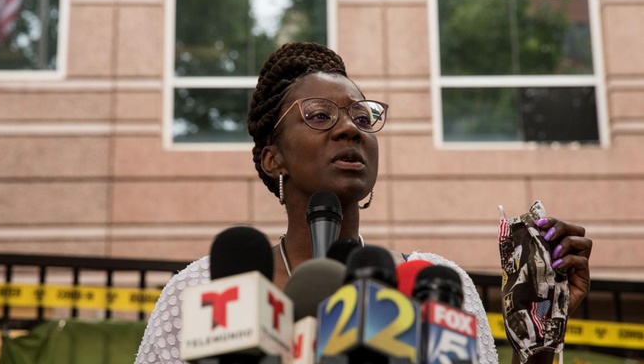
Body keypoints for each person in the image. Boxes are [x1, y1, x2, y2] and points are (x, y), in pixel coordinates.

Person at [134, 42, 592, 364]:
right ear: (274, 158)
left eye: (362, 116)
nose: (350, 128)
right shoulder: (204, 290)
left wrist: (540, 336)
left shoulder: (434, 284)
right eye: (319, 115)